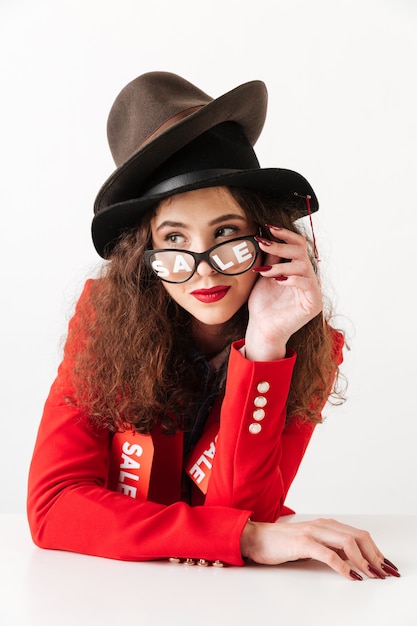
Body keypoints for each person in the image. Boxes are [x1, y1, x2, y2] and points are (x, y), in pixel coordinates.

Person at [27, 71, 399, 581]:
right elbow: (54, 506)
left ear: (268, 236)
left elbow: (248, 507)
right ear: (145, 255)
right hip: (109, 591)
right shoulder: (103, 319)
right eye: (174, 239)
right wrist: (239, 537)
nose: (202, 267)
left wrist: (267, 345)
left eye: (225, 233)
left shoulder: (308, 344)